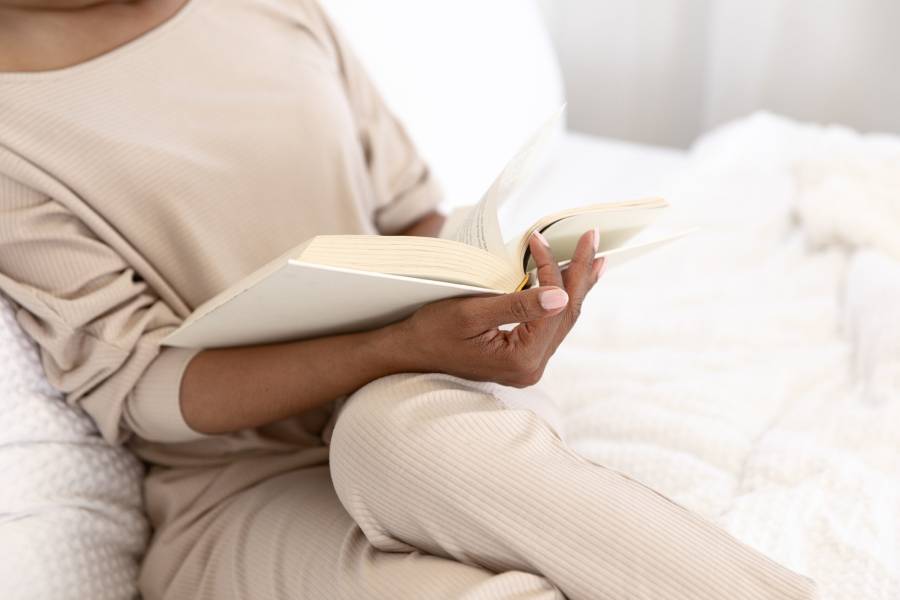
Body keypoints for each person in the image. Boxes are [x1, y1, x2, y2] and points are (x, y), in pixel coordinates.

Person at [0, 1, 819, 598]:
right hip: (240, 493)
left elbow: (410, 215)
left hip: (432, 405)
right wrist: (394, 345)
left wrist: (512, 294)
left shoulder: (267, 8)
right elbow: (140, 391)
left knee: (393, 430)